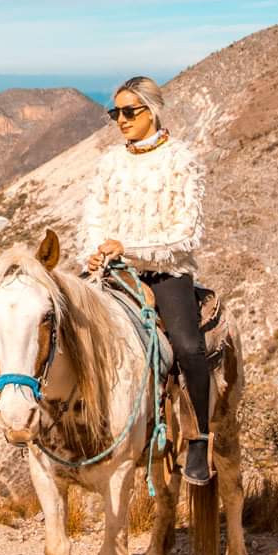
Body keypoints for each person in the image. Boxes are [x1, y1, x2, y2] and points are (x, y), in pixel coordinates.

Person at [76, 75, 212, 485]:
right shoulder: (110, 163)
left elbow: (186, 233)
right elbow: (92, 216)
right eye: (114, 112)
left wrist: (127, 246)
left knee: (188, 347)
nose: (120, 120)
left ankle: (200, 439)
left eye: (129, 111)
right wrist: (96, 247)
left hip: (166, 271)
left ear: (151, 111)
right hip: (112, 270)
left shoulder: (181, 160)